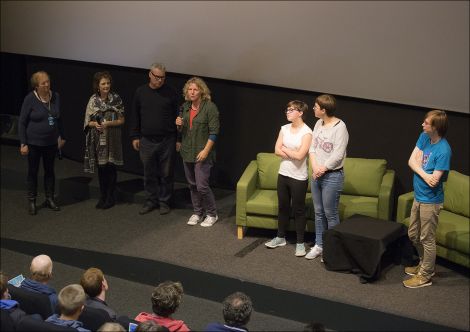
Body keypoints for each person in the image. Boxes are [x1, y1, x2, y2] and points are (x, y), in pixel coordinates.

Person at [403, 110, 451, 289]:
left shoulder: (444, 150)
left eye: (426, 123)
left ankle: (425, 275)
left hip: (431, 200)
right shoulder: (424, 137)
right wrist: (424, 173)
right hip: (418, 196)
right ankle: (423, 265)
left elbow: (435, 181)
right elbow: (411, 161)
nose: (422, 125)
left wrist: (419, 168)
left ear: (436, 127)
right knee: (413, 234)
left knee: (427, 238)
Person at [130, 63, 179, 216]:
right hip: (146, 140)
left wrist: (179, 139)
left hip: (167, 140)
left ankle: (164, 202)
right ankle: (151, 201)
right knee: (148, 173)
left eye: (162, 77)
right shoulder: (141, 92)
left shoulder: (171, 93)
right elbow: (135, 115)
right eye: (157, 77)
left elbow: (179, 117)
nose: (159, 80)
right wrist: (135, 136)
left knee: (166, 173)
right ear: (149, 75)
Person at [265, 100, 312, 257]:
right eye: (287, 109)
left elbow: (300, 156)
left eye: (291, 110)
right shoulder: (284, 128)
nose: (287, 112)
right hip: (283, 174)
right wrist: (291, 152)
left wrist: (286, 150)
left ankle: (300, 243)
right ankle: (280, 237)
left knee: (298, 210)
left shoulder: (307, 132)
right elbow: (276, 150)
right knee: (283, 207)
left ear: (300, 113)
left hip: (299, 177)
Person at [305, 94, 349, 260]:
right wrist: (315, 167)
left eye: (316, 107)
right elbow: (313, 147)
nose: (314, 109)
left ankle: (332, 249)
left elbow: (338, 154)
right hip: (317, 173)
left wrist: (322, 168)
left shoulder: (340, 127)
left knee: (330, 213)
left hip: (332, 176)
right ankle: (319, 244)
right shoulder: (318, 123)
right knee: (318, 212)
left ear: (323, 110)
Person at [18, 70, 66, 215]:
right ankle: (32, 200)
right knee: (33, 172)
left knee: (49, 171)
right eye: (43, 83)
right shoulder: (30, 99)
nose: (47, 85)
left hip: (51, 143)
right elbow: (22, 122)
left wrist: (62, 136)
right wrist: (23, 143)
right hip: (33, 144)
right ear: (36, 86)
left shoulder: (55, 96)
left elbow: (58, 118)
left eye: (48, 81)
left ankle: (49, 198)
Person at [175, 77, 220, 227]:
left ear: (201, 91)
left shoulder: (210, 107)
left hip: (202, 151)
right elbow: (183, 130)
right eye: (190, 89)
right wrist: (178, 125)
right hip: (187, 151)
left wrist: (206, 150)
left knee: (201, 185)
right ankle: (197, 212)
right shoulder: (185, 107)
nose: (192, 92)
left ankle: (212, 214)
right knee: (192, 184)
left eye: (195, 89)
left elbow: (214, 132)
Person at [84, 71, 125, 209]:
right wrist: (95, 124)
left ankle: (111, 197)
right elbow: (87, 122)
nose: (106, 86)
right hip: (99, 139)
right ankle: (103, 196)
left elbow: (122, 120)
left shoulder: (116, 99)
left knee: (111, 167)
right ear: (97, 85)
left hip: (113, 138)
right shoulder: (93, 100)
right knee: (102, 169)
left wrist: (108, 124)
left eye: (108, 83)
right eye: (103, 83)